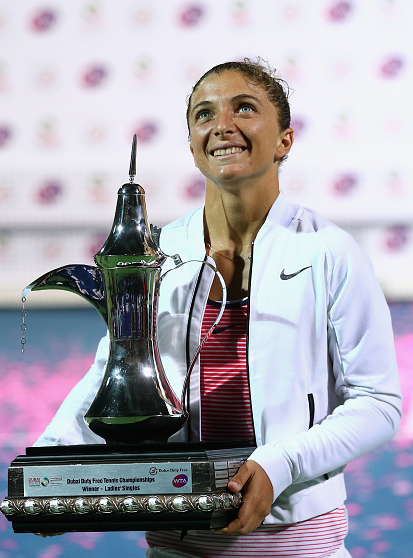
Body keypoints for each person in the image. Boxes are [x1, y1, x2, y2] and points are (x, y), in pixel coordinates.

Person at [34, 59, 402, 557]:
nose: (222, 126)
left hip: (300, 545)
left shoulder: (329, 253)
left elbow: (379, 403)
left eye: (244, 108)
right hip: (176, 543)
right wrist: (50, 463)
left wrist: (281, 465)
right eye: (204, 115)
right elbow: (115, 376)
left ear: (284, 141)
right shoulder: (158, 254)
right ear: (192, 147)